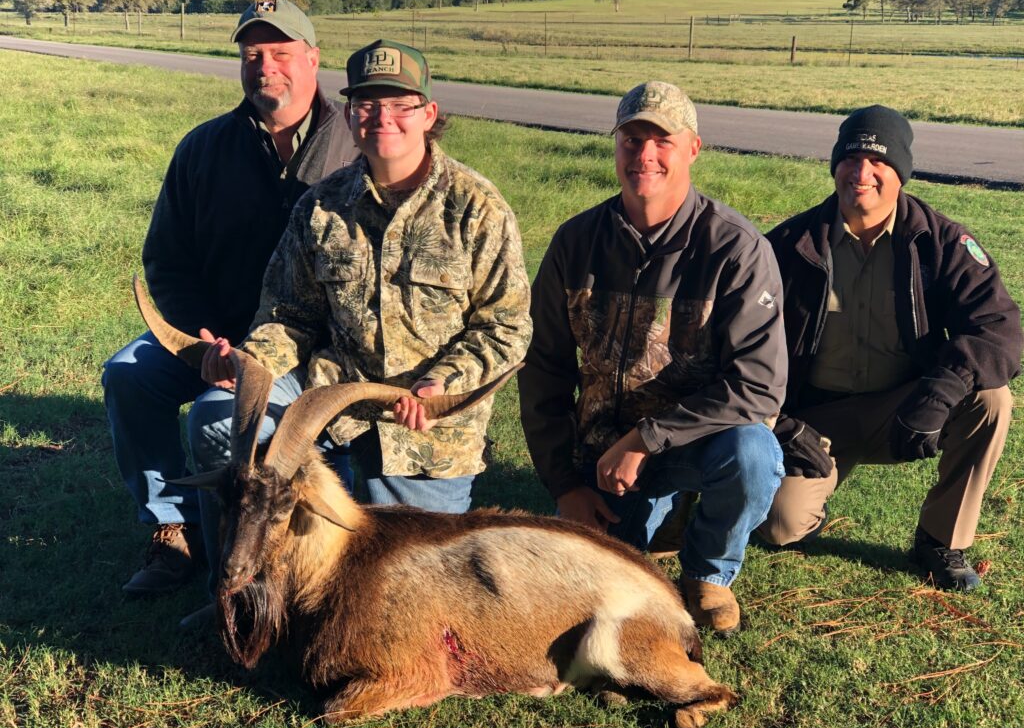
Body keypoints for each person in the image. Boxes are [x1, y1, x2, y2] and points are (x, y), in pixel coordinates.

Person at [188, 38, 531, 566]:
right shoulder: (321, 205)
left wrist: (441, 382)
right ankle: (235, 586)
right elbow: (288, 315)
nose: (382, 118)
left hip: (424, 427)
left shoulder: (477, 209)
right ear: (349, 116)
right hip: (328, 402)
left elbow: (505, 327)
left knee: (407, 574)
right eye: (367, 104)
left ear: (428, 114)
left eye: (400, 105)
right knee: (217, 420)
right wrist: (250, 365)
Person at [102, 0, 359, 597]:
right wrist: (201, 338)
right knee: (128, 375)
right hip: (213, 334)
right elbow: (167, 258)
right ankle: (174, 526)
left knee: (223, 421)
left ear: (313, 58)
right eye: (252, 54)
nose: (265, 66)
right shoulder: (204, 148)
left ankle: (272, 539)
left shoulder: (356, 148)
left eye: (280, 52)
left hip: (307, 346)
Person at [519, 81, 787, 636]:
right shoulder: (576, 242)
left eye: (662, 141)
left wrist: (646, 438)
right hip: (602, 458)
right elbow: (543, 368)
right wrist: (565, 486)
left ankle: (709, 572)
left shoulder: (736, 249)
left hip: (695, 443)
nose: (645, 155)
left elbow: (759, 386)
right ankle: (660, 522)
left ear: (693, 149)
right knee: (589, 596)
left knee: (753, 454)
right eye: (632, 139)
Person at [757, 105, 1022, 591]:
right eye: (851, 159)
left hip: (905, 409)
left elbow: (998, 327)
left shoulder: (941, 241)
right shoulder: (788, 245)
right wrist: (781, 423)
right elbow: (741, 344)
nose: (862, 173)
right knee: (778, 528)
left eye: (878, 161)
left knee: (991, 399)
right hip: (815, 420)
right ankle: (808, 499)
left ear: (901, 172)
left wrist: (941, 392)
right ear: (835, 165)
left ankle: (940, 540)